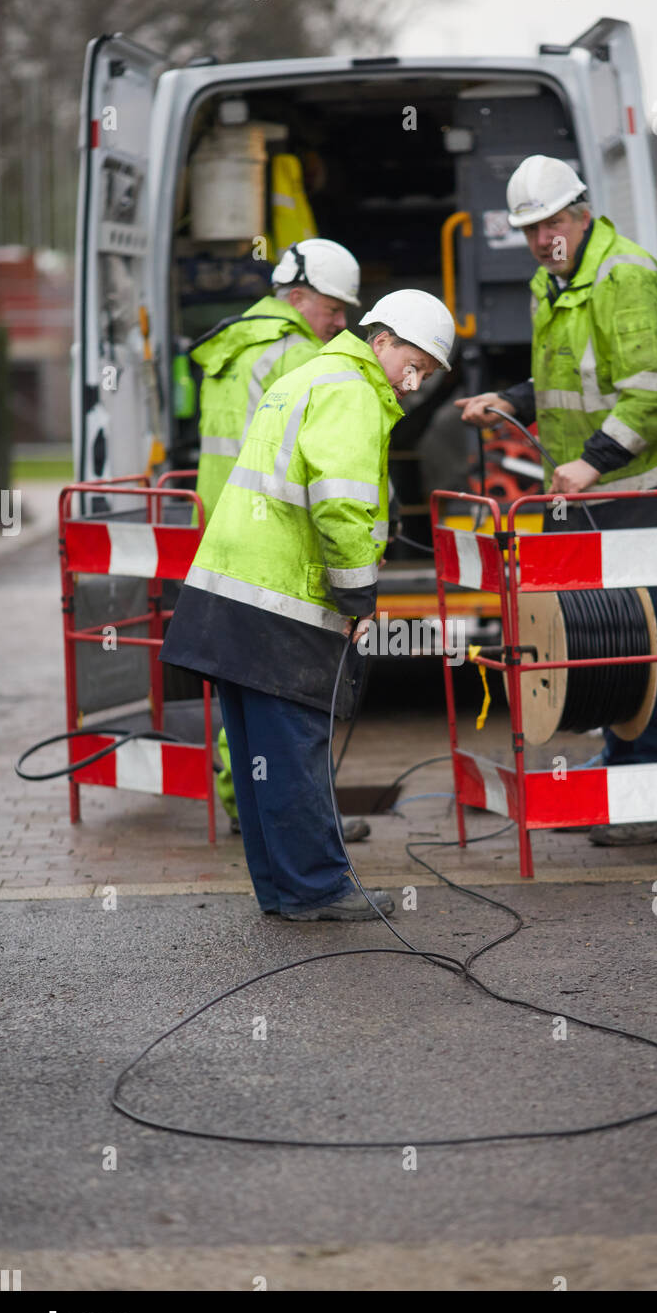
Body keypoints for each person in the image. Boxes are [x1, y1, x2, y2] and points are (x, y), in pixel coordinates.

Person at [161, 290, 455, 918]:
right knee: (294, 746)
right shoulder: (351, 389)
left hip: (233, 588)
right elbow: (339, 502)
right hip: (281, 596)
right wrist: (359, 596)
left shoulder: (311, 374)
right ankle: (316, 887)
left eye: (426, 375)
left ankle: (284, 888)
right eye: (414, 363)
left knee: (257, 752)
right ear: (382, 341)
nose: (413, 381)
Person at [456, 155, 657, 846]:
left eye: (551, 224)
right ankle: (630, 774)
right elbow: (563, 380)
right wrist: (509, 401)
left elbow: (656, 391)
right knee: (616, 643)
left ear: (580, 213)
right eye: (530, 229)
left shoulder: (624, 276)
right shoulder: (557, 283)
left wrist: (590, 461)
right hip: (609, 499)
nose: (543, 239)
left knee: (649, 645)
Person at [189, 237, 367, 839]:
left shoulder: (232, 348)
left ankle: (247, 802)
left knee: (242, 681)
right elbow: (325, 469)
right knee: (286, 689)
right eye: (334, 308)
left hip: (223, 530)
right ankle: (294, 820)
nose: (342, 322)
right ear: (295, 297)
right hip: (274, 542)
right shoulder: (295, 356)